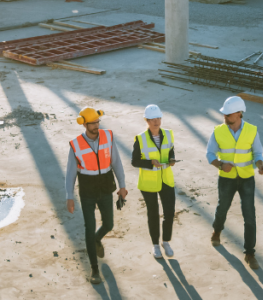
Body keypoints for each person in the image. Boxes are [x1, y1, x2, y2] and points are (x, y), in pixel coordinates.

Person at [65, 107, 128, 285]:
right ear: (84, 124)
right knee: (89, 227)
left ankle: (97, 240)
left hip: (106, 186)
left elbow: (116, 162)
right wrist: (69, 196)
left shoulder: (108, 136)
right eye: (92, 123)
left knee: (109, 224)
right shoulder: (75, 144)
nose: (96, 126)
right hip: (87, 190)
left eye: (97, 122)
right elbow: (70, 173)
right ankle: (94, 269)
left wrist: (122, 186)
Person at [206, 96, 263, 270]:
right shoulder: (218, 131)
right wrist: (220, 164)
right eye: (224, 113)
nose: (225, 116)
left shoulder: (252, 130)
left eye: (228, 113)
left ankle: (249, 253)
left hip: (247, 178)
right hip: (226, 179)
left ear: (239, 113)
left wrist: (260, 166)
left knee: (249, 215)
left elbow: (258, 154)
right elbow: (209, 154)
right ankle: (217, 230)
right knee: (222, 207)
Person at [131, 104, 178, 259]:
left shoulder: (169, 134)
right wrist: (150, 162)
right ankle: (156, 245)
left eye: (158, 118)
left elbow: (170, 149)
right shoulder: (140, 138)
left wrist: (171, 159)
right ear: (146, 120)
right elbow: (135, 161)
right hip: (149, 182)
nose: (156, 122)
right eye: (152, 119)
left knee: (169, 212)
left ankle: (166, 241)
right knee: (153, 213)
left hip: (166, 179)